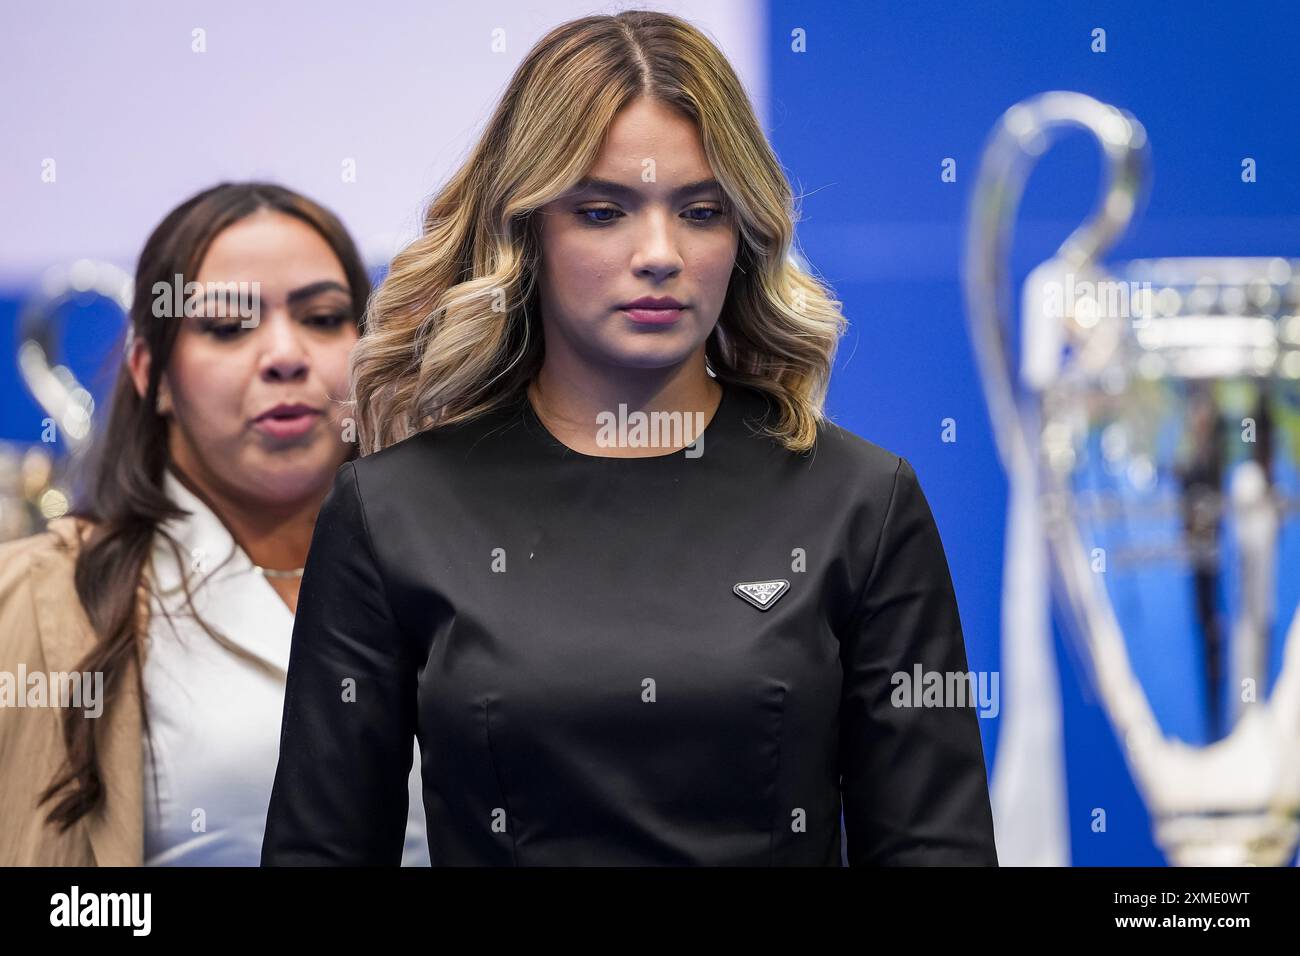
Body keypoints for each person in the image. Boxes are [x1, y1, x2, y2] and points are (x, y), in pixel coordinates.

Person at [261, 11, 998, 866]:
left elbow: (936, 855)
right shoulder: (391, 511)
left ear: (744, 233)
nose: (660, 253)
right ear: (526, 229)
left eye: (700, 210)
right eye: (605, 210)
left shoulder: (861, 504)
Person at [0, 182, 428, 866]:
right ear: (151, 373)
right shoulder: (37, 597)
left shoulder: (456, 563)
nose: (285, 356)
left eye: (322, 318)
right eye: (229, 327)